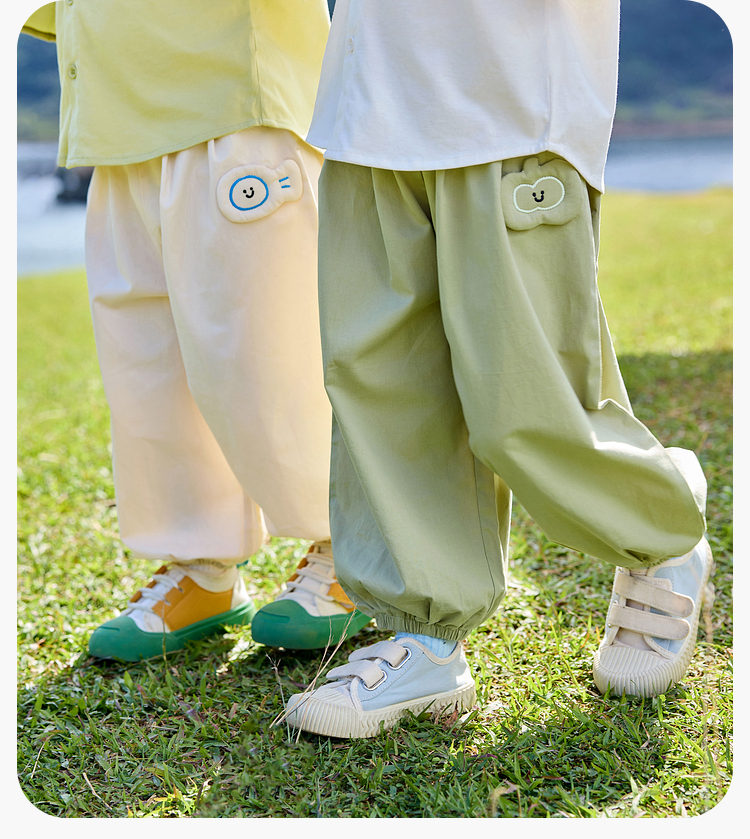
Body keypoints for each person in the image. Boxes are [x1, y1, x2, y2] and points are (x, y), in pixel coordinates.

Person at [284, 0, 713, 739]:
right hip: (364, 104)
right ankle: (426, 639)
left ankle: (659, 530)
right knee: (382, 389)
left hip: (504, 99)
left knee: (524, 398)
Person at [21, 0, 370, 662]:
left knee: (269, 352)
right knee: (148, 366)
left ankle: (352, 548)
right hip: (113, 124)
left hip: (229, 102)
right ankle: (201, 563)